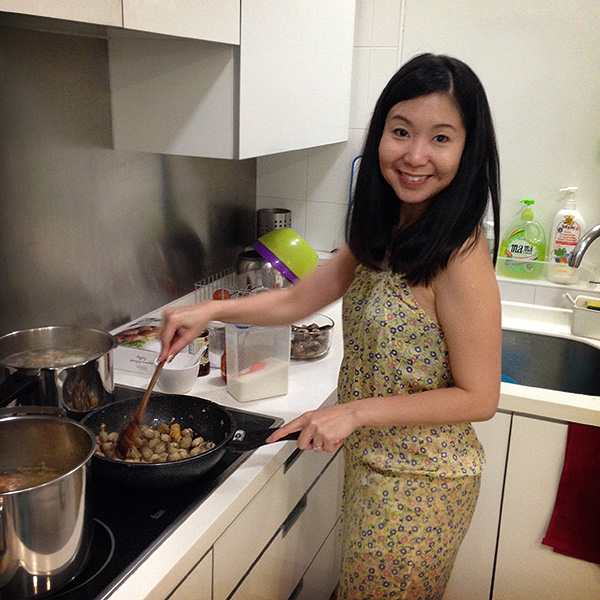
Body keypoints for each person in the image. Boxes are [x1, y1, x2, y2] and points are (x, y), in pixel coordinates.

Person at [159, 53, 502, 600]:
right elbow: (297, 299)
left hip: (422, 487)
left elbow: (481, 396)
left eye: (441, 138)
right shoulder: (389, 227)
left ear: (468, 149)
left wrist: (353, 412)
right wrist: (206, 312)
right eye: (401, 131)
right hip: (375, 467)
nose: (415, 156)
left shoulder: (459, 255)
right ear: (380, 135)